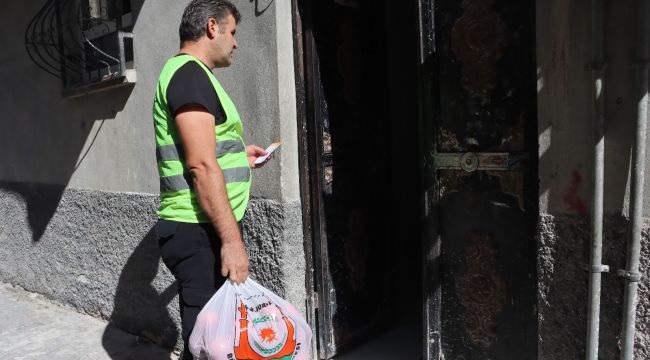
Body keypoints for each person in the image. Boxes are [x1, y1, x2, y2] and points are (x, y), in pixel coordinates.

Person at [151, 1, 268, 358]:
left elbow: (207, 151)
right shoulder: (189, 75)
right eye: (233, 33)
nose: (235, 43)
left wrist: (240, 157)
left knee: (216, 337)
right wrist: (232, 242)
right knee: (208, 344)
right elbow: (201, 166)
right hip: (198, 228)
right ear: (212, 27)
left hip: (202, 225)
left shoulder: (194, 76)